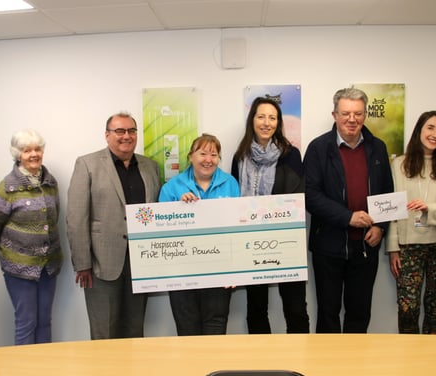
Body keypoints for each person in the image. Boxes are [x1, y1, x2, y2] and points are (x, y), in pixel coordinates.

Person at [303, 87, 393, 333]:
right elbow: (310, 195)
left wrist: (380, 227)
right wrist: (348, 217)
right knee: (328, 313)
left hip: (366, 246)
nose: (352, 119)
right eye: (345, 113)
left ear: (365, 115)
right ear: (335, 115)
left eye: (358, 113)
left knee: (359, 313)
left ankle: (355, 368)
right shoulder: (318, 148)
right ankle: (326, 368)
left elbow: (387, 192)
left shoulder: (378, 148)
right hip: (328, 247)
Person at [66, 112, 160, 339]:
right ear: (107, 135)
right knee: (104, 333)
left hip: (141, 263)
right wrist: (82, 264)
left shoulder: (150, 167)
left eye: (131, 131)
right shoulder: (87, 164)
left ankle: (133, 374)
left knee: (135, 330)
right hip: (102, 263)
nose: (126, 136)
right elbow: (76, 218)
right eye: (119, 131)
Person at [231, 97, 310, 334]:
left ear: (278, 122)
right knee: (256, 308)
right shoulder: (240, 157)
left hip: (286, 242)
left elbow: (298, 195)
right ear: (252, 120)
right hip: (252, 243)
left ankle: (300, 360)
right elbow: (234, 199)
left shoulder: (291, 155)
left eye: (272, 118)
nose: (267, 122)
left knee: (295, 308)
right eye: (261, 116)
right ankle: (260, 361)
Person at [386, 111, 436, 334]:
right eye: (430, 128)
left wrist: (430, 208)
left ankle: (433, 360)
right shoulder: (399, 164)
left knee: (435, 308)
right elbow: (392, 207)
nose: (435, 134)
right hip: (408, 245)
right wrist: (393, 247)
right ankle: (408, 359)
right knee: (407, 308)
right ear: (420, 130)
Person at [158, 133, 240, 335]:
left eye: (214, 154)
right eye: (202, 153)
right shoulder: (171, 188)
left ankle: (214, 368)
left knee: (216, 329)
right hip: (182, 274)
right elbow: (159, 233)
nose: (208, 159)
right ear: (190, 157)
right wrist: (178, 208)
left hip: (219, 273)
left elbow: (238, 229)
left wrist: (236, 268)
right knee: (187, 331)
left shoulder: (231, 184)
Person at [0, 129, 63, 345]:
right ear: (17, 154)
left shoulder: (50, 182)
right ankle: (24, 374)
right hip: (19, 270)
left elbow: (53, 219)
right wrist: (12, 255)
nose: (33, 154)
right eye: (26, 150)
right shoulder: (7, 188)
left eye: (37, 149)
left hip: (48, 267)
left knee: (44, 321)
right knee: (26, 321)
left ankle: (43, 372)